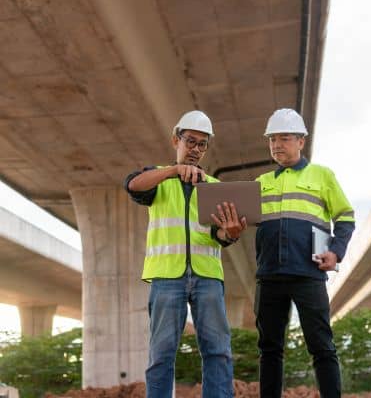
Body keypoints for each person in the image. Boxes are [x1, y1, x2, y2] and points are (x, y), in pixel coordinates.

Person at [124, 110, 247, 398]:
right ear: (175, 140)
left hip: (207, 278)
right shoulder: (158, 179)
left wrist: (231, 233)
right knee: (161, 354)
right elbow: (132, 185)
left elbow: (218, 236)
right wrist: (173, 170)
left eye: (202, 144)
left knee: (218, 351)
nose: (195, 149)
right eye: (190, 141)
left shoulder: (215, 187)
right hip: (167, 277)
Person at [254, 108, 355, 398]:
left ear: (301, 141)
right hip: (269, 275)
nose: (276, 145)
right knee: (269, 350)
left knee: (322, 346)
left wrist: (336, 252)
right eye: (272, 139)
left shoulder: (322, 175)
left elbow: (345, 217)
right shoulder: (261, 182)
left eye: (283, 138)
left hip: (308, 274)